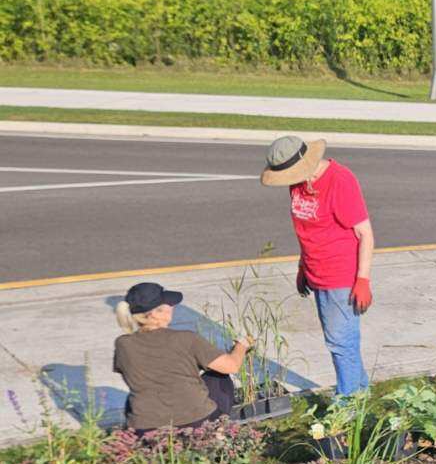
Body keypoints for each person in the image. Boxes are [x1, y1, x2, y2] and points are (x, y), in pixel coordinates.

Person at [261, 136, 375, 396]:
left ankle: (347, 402)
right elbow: (307, 229)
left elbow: (365, 233)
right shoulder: (298, 183)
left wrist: (363, 280)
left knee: (340, 343)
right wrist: (303, 266)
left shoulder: (340, 181)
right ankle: (361, 390)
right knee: (341, 342)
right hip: (316, 272)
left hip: (341, 275)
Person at [113, 282, 252, 434]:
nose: (172, 307)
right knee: (219, 377)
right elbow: (232, 366)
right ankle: (217, 430)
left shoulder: (123, 345)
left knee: (137, 393)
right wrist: (241, 346)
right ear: (155, 314)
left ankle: (138, 441)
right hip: (196, 423)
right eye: (168, 304)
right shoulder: (187, 339)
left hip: (144, 429)